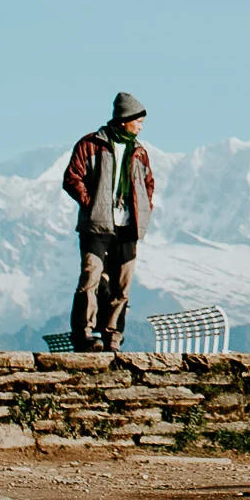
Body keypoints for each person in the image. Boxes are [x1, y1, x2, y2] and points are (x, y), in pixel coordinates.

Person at [61, 93, 156, 352]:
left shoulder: (139, 152)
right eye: (138, 120)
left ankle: (113, 337)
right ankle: (83, 334)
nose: (141, 126)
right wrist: (91, 202)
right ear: (125, 119)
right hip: (97, 225)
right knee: (90, 278)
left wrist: (145, 208)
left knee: (121, 286)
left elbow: (148, 183)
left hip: (128, 227)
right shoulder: (91, 144)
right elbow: (72, 177)